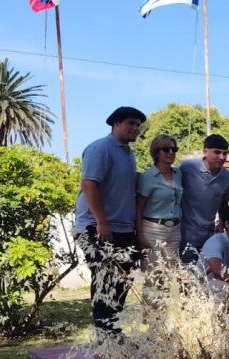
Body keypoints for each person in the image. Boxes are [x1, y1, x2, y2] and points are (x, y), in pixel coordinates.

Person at [74, 106, 145, 333]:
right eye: (131, 123)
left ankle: (113, 333)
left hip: (123, 229)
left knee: (124, 281)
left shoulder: (128, 153)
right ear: (116, 124)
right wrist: (101, 221)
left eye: (138, 125)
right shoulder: (100, 148)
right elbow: (89, 185)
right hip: (97, 228)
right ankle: (105, 337)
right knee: (105, 280)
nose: (136, 128)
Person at [179, 134, 229, 264]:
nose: (222, 157)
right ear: (205, 151)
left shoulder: (228, 177)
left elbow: (224, 203)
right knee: (187, 276)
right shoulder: (186, 168)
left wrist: (222, 221)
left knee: (208, 276)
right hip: (186, 234)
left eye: (225, 153)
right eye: (217, 152)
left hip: (209, 236)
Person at [136, 134, 183, 269]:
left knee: (171, 275)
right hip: (153, 229)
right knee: (153, 275)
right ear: (156, 152)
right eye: (166, 149)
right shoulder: (147, 177)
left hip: (175, 229)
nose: (170, 153)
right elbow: (138, 208)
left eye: (174, 149)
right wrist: (139, 235)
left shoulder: (178, 174)